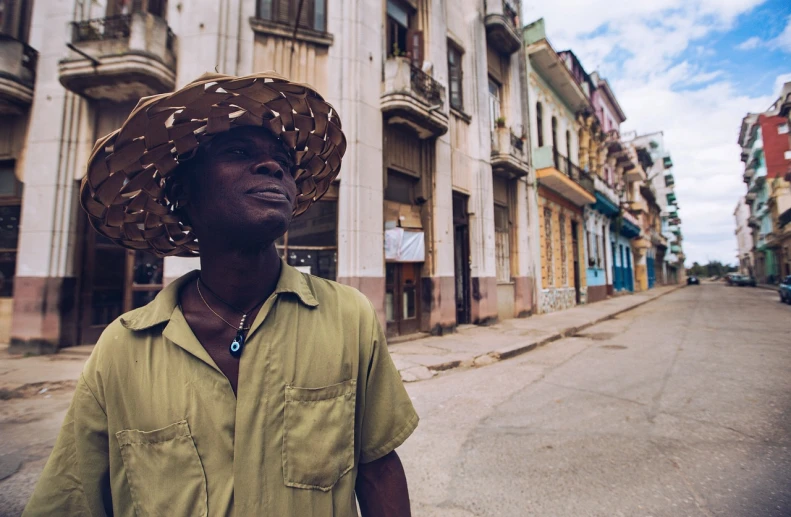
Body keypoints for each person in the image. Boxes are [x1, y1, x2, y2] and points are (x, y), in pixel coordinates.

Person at [23, 72, 418, 517]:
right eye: (237, 152)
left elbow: (378, 468)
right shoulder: (121, 350)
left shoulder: (349, 317)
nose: (274, 168)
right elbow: (70, 502)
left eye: (283, 163)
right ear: (184, 195)